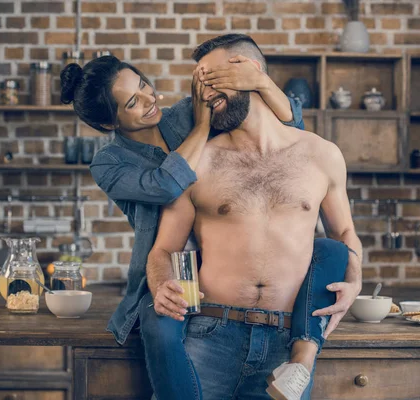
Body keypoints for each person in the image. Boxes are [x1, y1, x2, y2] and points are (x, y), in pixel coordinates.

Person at [60, 52, 309, 400]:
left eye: (145, 86)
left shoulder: (182, 114)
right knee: (158, 323)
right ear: (109, 125)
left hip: (229, 262)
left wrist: (256, 81)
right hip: (168, 267)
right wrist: (203, 128)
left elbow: (292, 120)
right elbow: (165, 184)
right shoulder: (109, 162)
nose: (151, 99)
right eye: (134, 102)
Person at [146, 34, 362, 400]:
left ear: (250, 71)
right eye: (199, 86)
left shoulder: (321, 155)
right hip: (209, 334)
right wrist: (162, 284)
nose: (206, 94)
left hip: (287, 342)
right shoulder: (196, 162)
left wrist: (355, 279)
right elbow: (163, 250)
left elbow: (343, 232)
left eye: (214, 81)